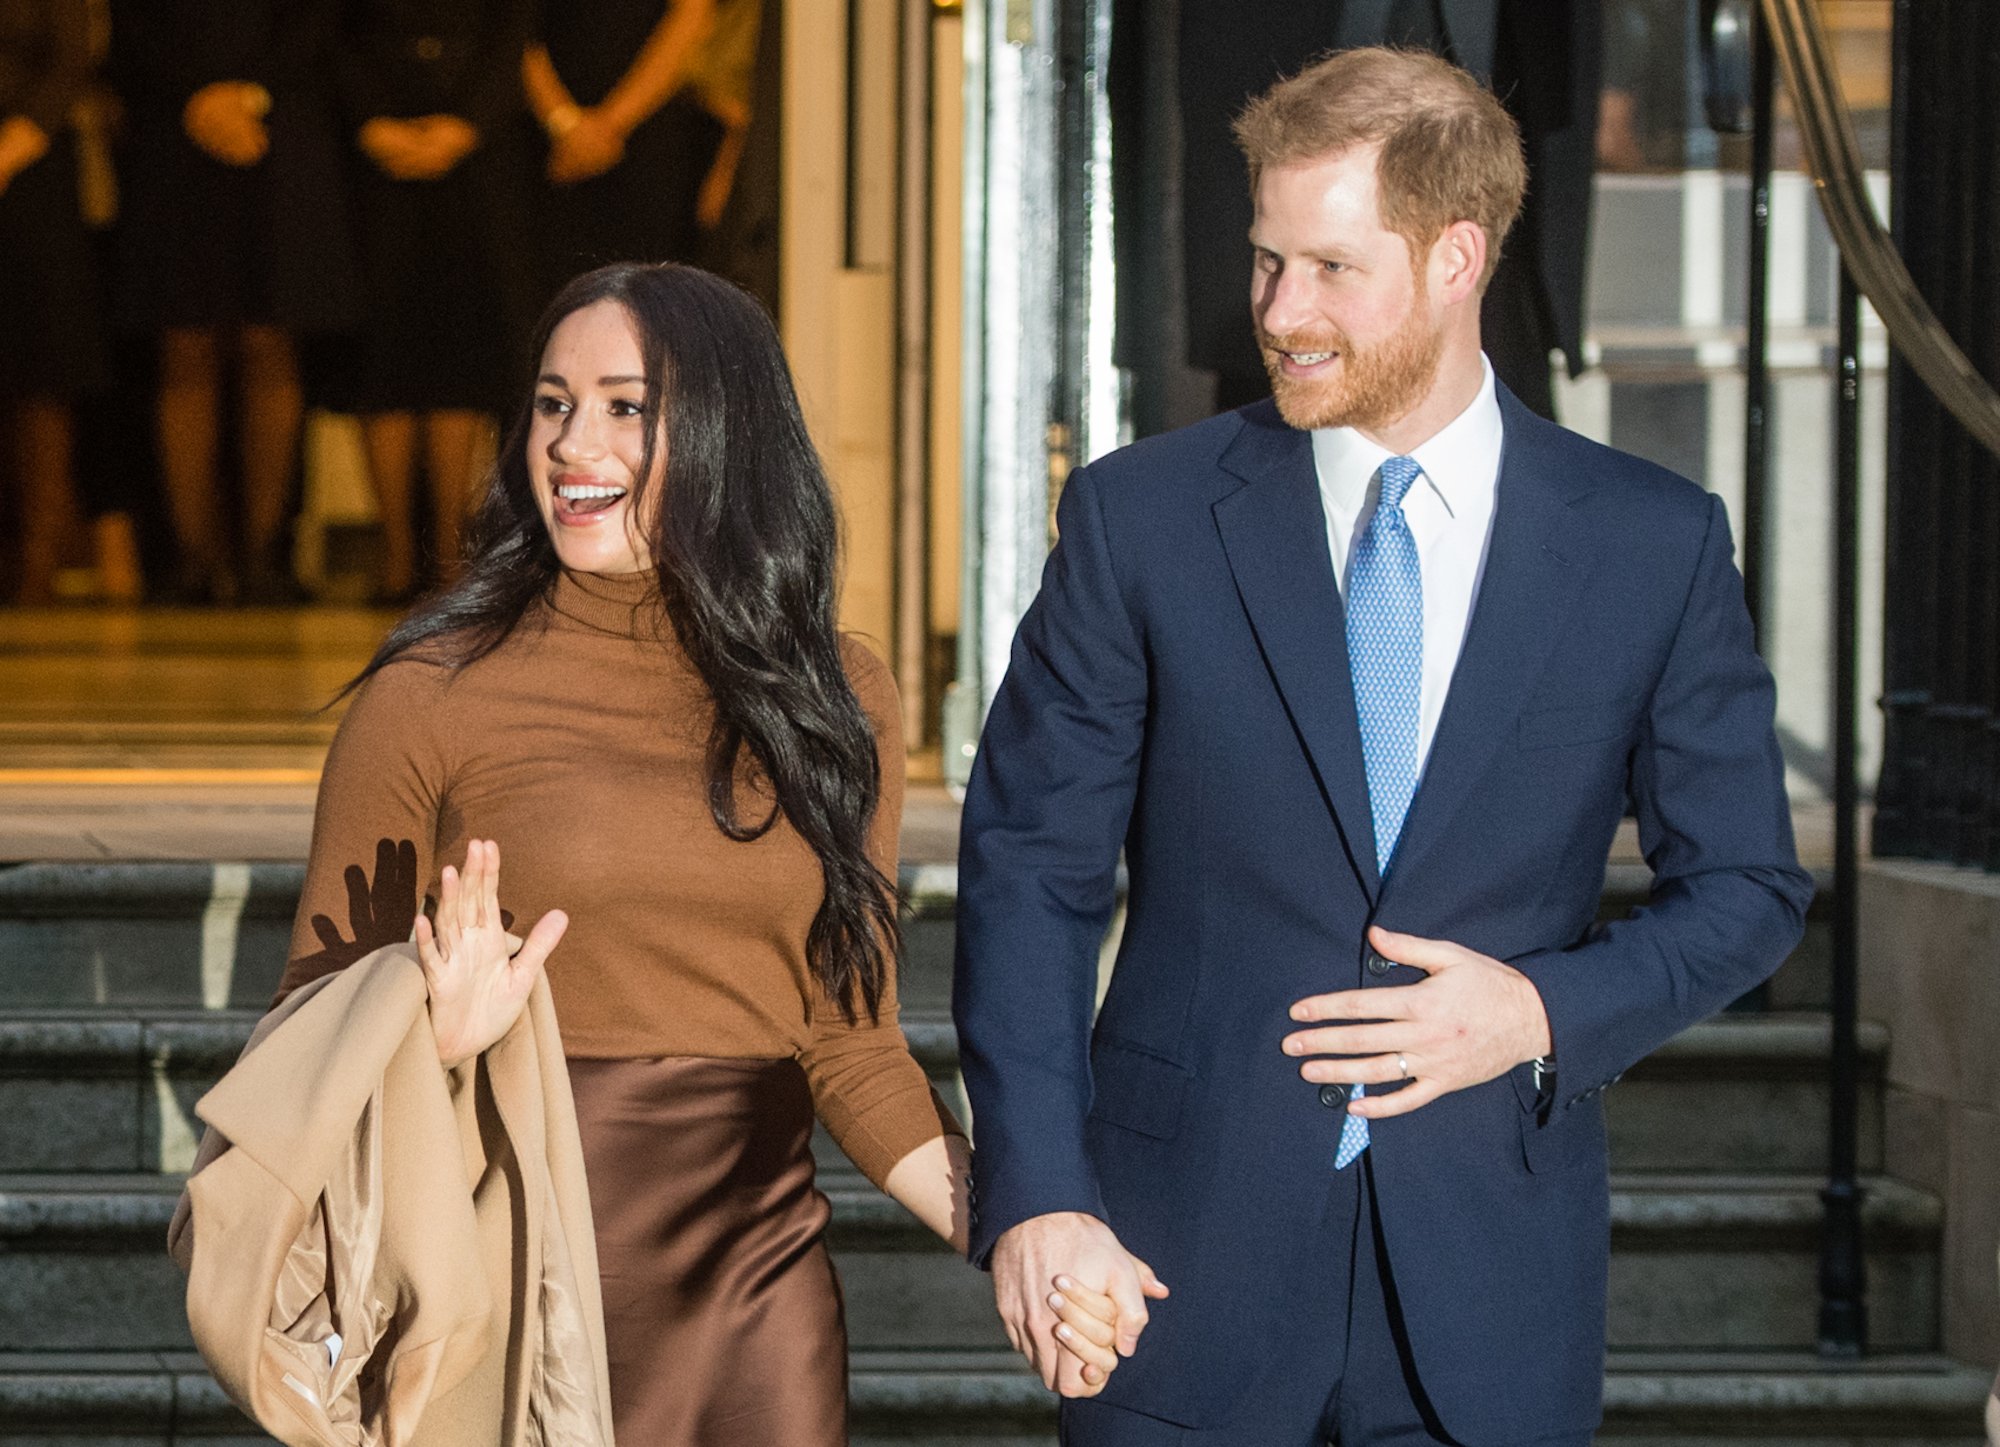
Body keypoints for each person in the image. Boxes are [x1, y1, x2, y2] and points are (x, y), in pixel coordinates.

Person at [953, 47, 1813, 1446]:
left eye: (1332, 269)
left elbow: (1749, 891)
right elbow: (1028, 870)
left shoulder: (1651, 542)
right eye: (1267, 260)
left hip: (1489, 1298)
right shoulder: (1143, 519)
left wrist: (1539, 1014)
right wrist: (1042, 1193)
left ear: (1458, 255)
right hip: (1172, 1271)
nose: (1283, 311)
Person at [274, 263, 1116, 1442]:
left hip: (753, 1290)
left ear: (728, 432)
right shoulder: (431, 696)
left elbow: (848, 1041)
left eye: (625, 406)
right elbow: (302, 1040)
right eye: (552, 402)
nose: (573, 444)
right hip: (505, 1265)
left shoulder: (835, 697)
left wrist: (1026, 1233)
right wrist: (432, 1039)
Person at [111, 0, 359, 604]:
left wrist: (249, 94)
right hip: (172, 136)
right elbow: (127, 27)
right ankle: (188, 559)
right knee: (184, 342)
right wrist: (198, 100)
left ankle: (267, 556)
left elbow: (322, 21)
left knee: (271, 342)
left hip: (281, 136)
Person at [334, 0, 539, 600]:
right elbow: (331, 34)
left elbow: (513, 33)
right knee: (383, 354)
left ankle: (450, 552)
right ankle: (394, 550)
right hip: (371, 162)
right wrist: (371, 120)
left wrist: (467, 124)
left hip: (480, 163)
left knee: (461, 352)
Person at [0, 0, 126, 604]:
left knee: (40, 369)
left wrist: (14, 143)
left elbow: (71, 56)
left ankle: (37, 556)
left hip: (35, 162)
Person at [522, 0, 721, 298]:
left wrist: (611, 123)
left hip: (653, 131)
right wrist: (562, 121)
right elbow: (511, 24)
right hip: (538, 135)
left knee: (652, 297)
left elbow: (692, 15)